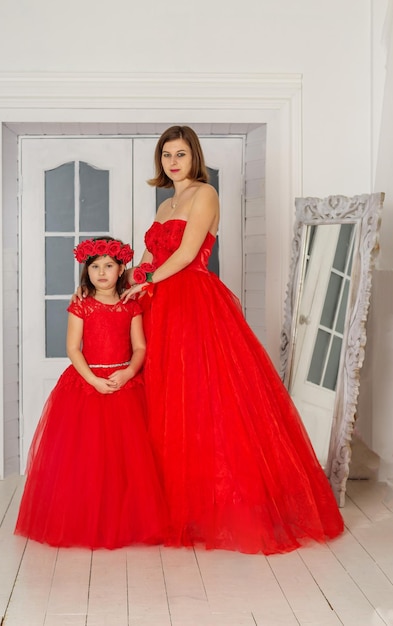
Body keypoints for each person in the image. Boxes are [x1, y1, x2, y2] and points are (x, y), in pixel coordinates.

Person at [79, 126, 344, 555]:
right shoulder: (166, 202)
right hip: (158, 302)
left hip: (191, 302)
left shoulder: (205, 194)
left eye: (181, 153)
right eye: (166, 154)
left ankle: (212, 507)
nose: (173, 162)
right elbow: (147, 258)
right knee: (163, 397)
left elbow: (185, 254)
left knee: (202, 399)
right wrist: (108, 286)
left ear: (194, 157)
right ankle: (167, 505)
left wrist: (145, 280)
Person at [15, 237, 166, 549]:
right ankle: (85, 519)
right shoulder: (81, 305)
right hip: (87, 385)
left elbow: (140, 347)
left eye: (109, 266)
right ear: (87, 271)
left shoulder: (130, 305)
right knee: (87, 456)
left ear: (122, 268)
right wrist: (94, 381)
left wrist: (127, 372)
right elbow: (73, 349)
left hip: (124, 384)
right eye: (95, 266)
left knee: (127, 458)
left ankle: (125, 520)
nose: (101, 272)